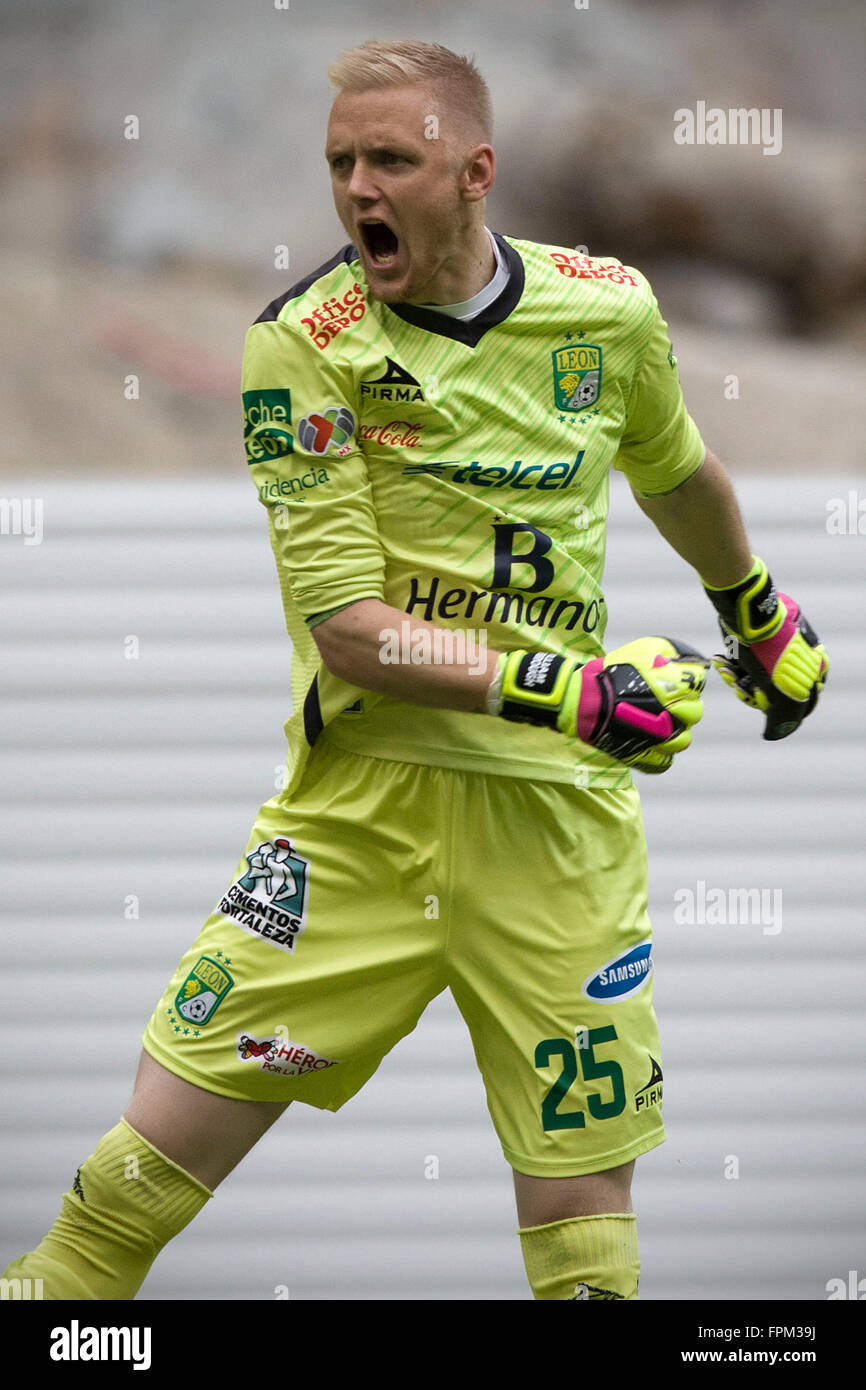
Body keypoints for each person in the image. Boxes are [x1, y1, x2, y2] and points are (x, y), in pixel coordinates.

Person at [3, 38, 827, 1303]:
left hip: (554, 832)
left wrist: (752, 610)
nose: (357, 190)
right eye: (340, 163)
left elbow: (672, 472)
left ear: (474, 171)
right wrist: (572, 690)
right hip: (358, 823)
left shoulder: (603, 311)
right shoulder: (303, 346)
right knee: (121, 1199)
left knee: (586, 1244)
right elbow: (347, 625)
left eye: (391, 158)